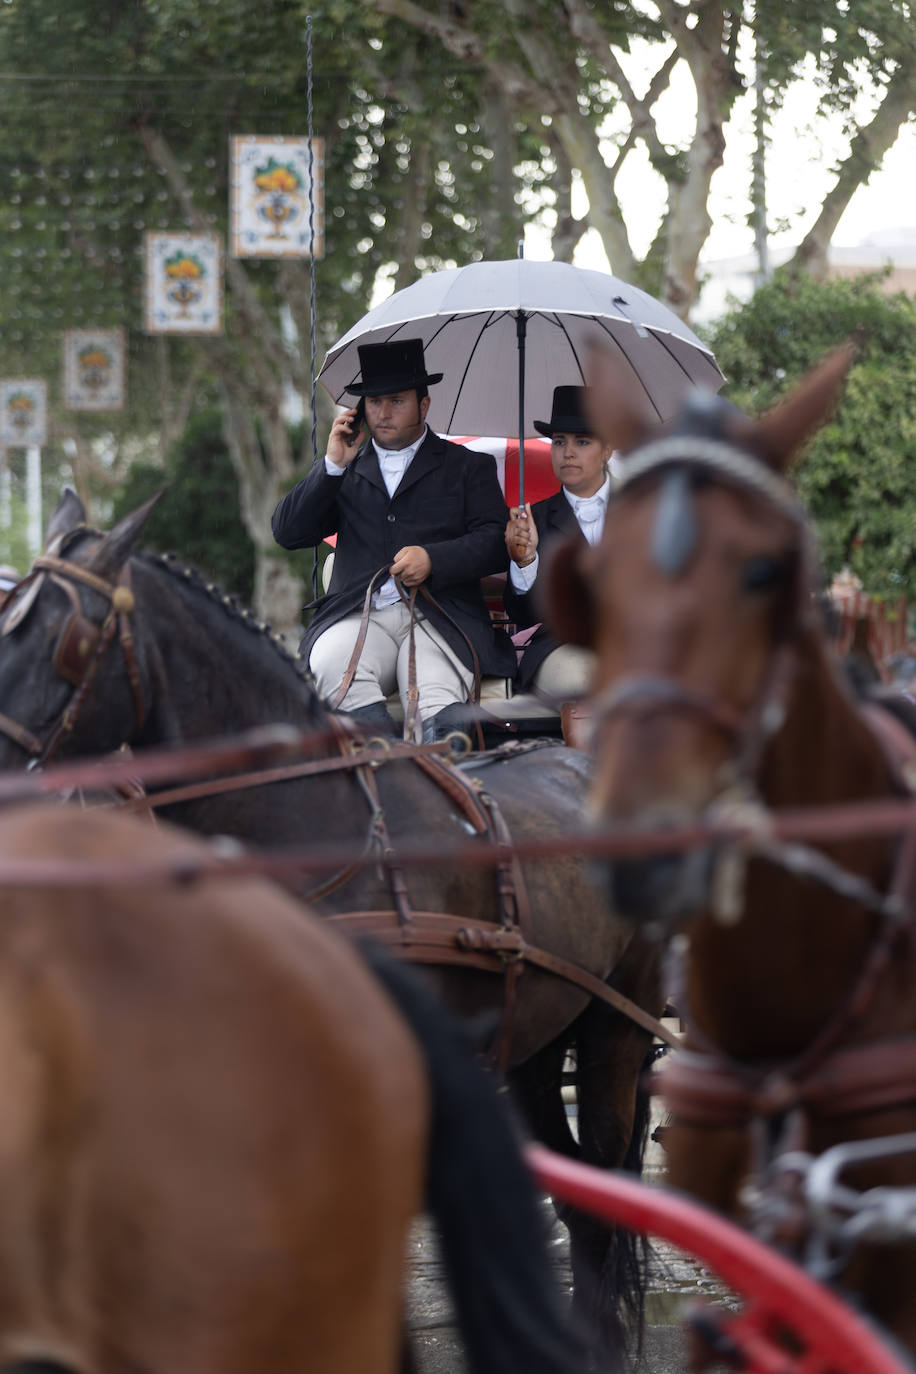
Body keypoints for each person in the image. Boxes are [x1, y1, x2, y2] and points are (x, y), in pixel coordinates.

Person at [272, 338, 516, 742]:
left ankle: (440, 792)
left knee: (433, 696)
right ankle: (385, 776)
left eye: (396, 401)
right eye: (374, 401)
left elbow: (494, 543)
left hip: (443, 616)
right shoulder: (345, 468)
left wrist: (434, 559)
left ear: (424, 405)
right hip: (358, 614)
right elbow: (287, 532)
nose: (383, 413)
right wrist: (331, 466)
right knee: (333, 667)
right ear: (360, 409)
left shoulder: (468, 466)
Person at [504, 385, 612, 703]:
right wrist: (525, 562)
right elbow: (523, 615)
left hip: (634, 644)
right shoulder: (531, 520)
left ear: (607, 450)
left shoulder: (641, 510)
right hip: (561, 647)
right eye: (559, 441)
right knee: (591, 683)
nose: (568, 452)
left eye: (582, 441)